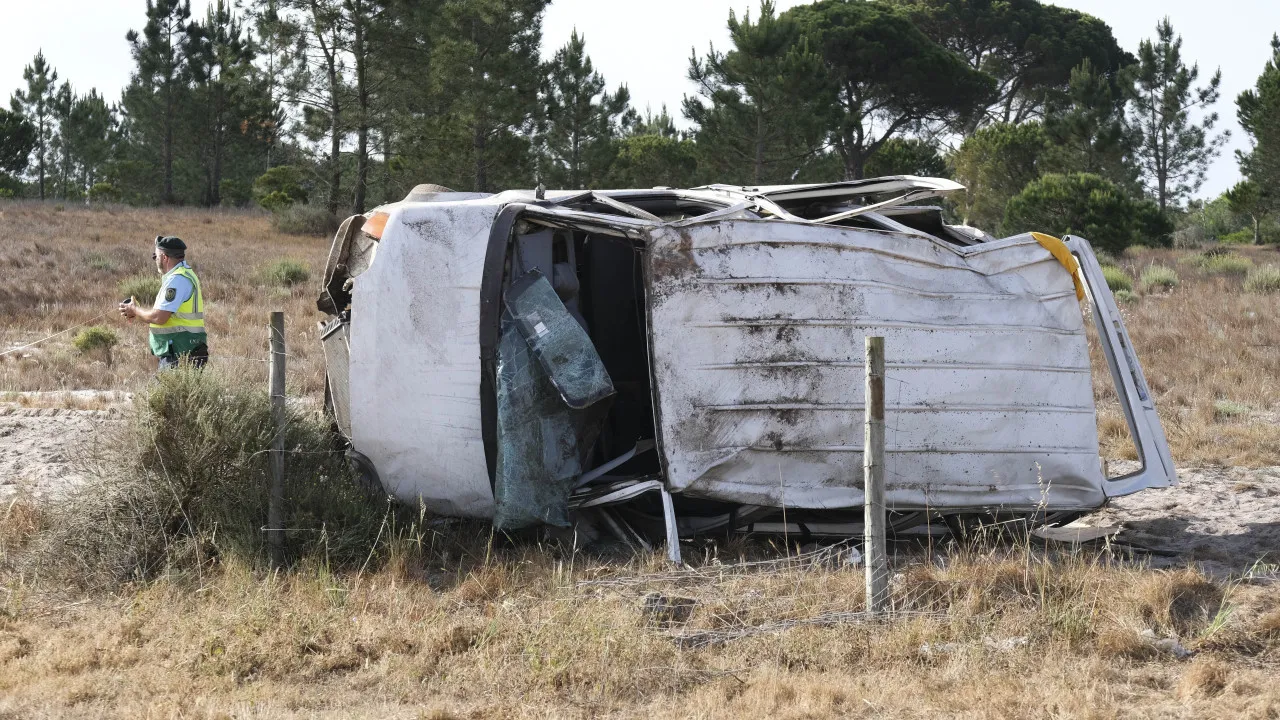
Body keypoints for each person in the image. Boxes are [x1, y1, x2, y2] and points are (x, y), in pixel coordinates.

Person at [118, 235, 209, 370]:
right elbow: (166, 315)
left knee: (167, 391)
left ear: (164, 258)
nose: (155, 260)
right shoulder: (183, 275)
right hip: (185, 351)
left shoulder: (177, 280)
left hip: (179, 354)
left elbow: (159, 317)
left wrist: (135, 310)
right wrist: (136, 313)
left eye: (156, 256)